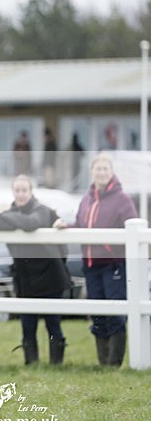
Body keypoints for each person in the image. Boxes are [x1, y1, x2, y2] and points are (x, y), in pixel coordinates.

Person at [54, 153, 138, 367]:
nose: (101, 172)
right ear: (92, 172)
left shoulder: (122, 199)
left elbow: (132, 229)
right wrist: (67, 227)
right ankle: (103, 363)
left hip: (113, 264)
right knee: (98, 314)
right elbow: (83, 227)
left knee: (115, 313)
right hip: (91, 266)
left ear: (111, 172)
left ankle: (114, 364)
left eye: (105, 169)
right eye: (98, 169)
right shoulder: (87, 198)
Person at [0, 175, 70, 365]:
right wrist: (12, 216)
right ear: (13, 192)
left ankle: (57, 366)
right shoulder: (13, 212)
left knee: (53, 324)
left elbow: (31, 223)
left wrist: (6, 215)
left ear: (31, 192)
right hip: (24, 278)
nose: (21, 194)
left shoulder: (43, 210)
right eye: (17, 190)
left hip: (49, 276)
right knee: (27, 325)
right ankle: (31, 365)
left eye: (24, 190)